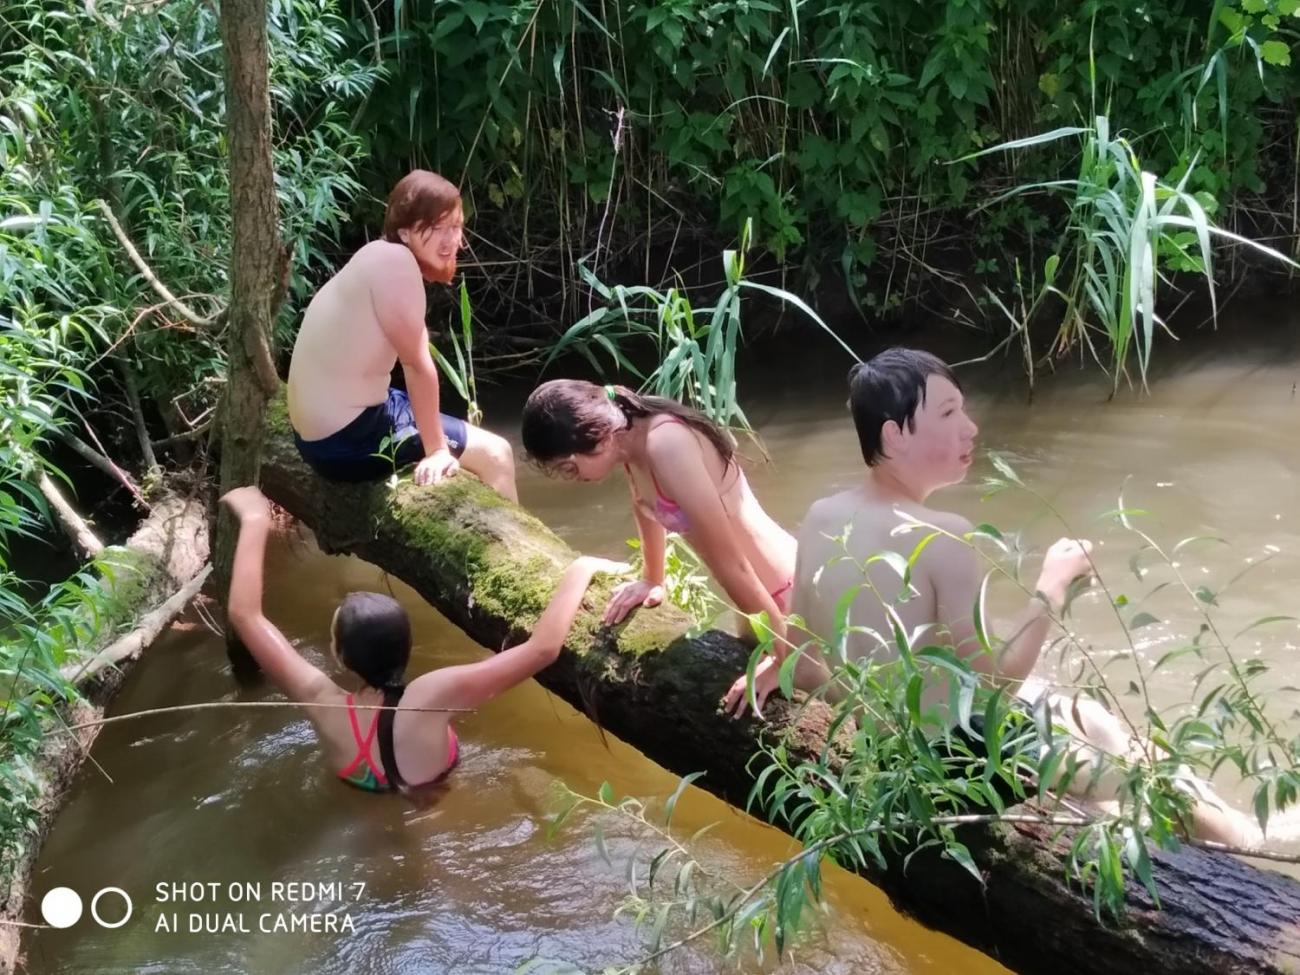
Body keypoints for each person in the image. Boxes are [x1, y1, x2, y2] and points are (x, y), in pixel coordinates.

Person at [770, 346, 1292, 847]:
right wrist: (1053, 586)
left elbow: (803, 661)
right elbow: (995, 678)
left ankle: (1118, 794)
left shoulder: (822, 517)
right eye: (949, 413)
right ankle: (1260, 848)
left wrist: (781, 672)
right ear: (895, 435)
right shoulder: (944, 536)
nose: (970, 428)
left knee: (1085, 714)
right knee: (1163, 787)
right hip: (961, 762)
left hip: (893, 747)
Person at [220, 485, 622, 796]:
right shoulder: (432, 693)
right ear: (405, 645)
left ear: (340, 657)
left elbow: (246, 617)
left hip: (366, 807)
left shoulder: (322, 701)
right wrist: (580, 569)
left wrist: (255, 519)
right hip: (437, 798)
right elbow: (542, 650)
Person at [521, 381, 799, 704]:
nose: (571, 478)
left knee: (835, 715)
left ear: (597, 434)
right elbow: (646, 507)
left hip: (788, 598)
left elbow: (731, 564)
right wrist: (653, 578)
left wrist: (784, 659)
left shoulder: (666, 444)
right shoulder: (629, 439)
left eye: (567, 467)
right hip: (757, 601)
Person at [287, 169, 517, 500]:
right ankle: (508, 550)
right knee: (497, 454)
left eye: (455, 226)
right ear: (405, 232)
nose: (452, 240)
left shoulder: (376, 257)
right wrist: (437, 450)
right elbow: (415, 364)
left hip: (318, 438)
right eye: (436, 228)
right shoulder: (396, 264)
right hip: (348, 441)